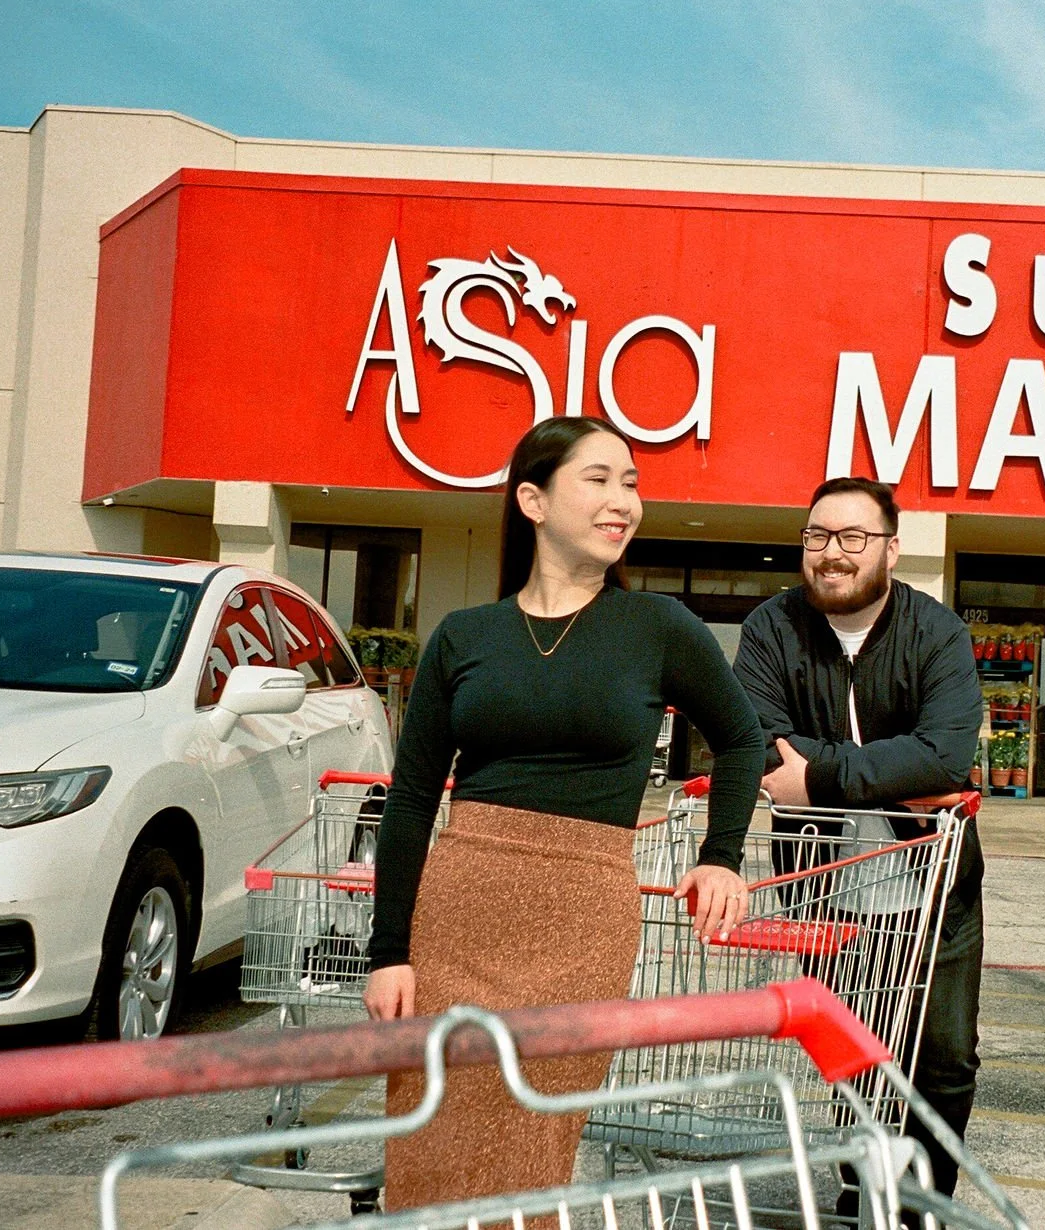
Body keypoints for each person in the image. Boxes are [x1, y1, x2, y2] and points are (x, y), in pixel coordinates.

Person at [364, 415, 764, 1212]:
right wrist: (388, 951)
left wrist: (723, 854)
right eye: (600, 480)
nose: (624, 502)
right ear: (533, 501)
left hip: (582, 915)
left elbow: (743, 739)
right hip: (459, 909)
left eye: (633, 485)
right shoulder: (464, 637)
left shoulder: (658, 627)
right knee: (429, 1134)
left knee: (532, 1143)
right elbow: (410, 800)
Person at [732, 476, 985, 1198]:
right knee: (857, 1053)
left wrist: (817, 778)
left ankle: (923, 1202)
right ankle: (862, 1186)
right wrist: (880, 768)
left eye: (852, 538)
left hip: (937, 885)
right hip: (825, 886)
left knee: (944, 1059)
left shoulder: (937, 633)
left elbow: (942, 755)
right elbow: (757, 738)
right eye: (817, 537)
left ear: (891, 549)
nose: (832, 553)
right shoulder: (770, 630)